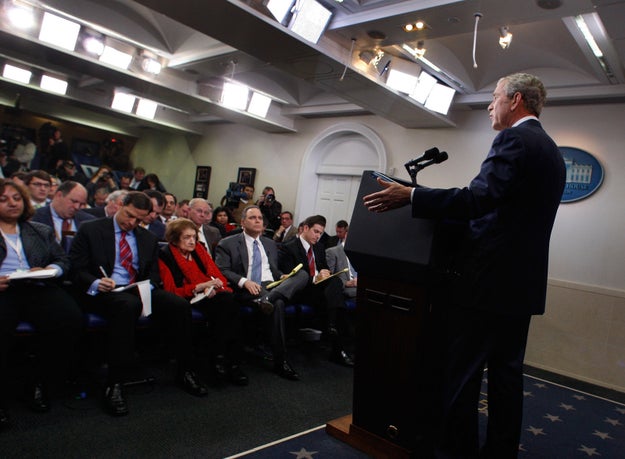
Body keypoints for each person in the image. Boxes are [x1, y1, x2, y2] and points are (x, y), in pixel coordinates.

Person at [362, 73, 566, 458]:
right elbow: (505, 212)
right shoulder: (552, 151)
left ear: (516, 100)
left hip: (485, 286)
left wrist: (413, 196)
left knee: (463, 376)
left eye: (494, 97)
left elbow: (478, 199)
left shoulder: (514, 139)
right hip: (521, 288)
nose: (490, 104)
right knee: (506, 377)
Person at [69, 191, 209, 417]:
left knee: (178, 305)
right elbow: (76, 268)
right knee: (127, 306)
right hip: (104, 290)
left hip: (135, 289)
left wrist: (147, 288)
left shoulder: (147, 238)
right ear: (121, 205)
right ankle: (114, 383)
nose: (132, 223)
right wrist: (96, 281)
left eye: (139, 220)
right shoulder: (91, 229)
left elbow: (153, 276)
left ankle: (185, 370)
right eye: (129, 216)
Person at [0, 179, 83, 428]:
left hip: (36, 286)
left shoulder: (38, 230)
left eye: (16, 198)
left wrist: (50, 270)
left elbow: (63, 261)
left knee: (70, 319)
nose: (12, 203)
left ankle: (38, 382)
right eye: (3, 199)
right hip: (4, 291)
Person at [215, 205, 309, 381]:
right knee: (278, 303)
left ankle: (267, 299)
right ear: (242, 222)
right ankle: (280, 361)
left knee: (302, 274)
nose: (258, 220)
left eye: (260, 218)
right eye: (252, 218)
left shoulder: (269, 243)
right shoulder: (227, 243)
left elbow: (272, 269)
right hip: (248, 286)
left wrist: (282, 276)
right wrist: (245, 282)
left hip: (271, 285)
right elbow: (222, 270)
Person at [158, 218, 248, 386]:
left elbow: (218, 276)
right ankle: (210, 363)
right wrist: (201, 286)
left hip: (207, 294)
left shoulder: (198, 249)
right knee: (222, 308)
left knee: (230, 302)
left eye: (194, 236)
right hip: (185, 298)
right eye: (186, 237)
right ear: (175, 238)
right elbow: (171, 291)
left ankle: (227, 360)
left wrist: (214, 287)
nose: (192, 241)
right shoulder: (165, 255)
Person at [326, 233, 357, 299]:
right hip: (346, 287)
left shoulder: (359, 254)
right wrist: (346, 283)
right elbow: (328, 277)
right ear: (346, 235)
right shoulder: (332, 252)